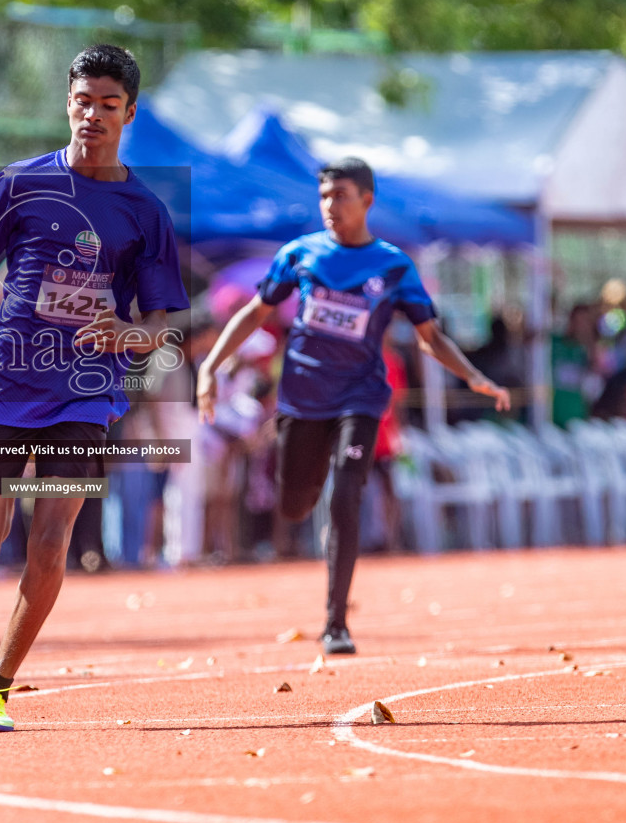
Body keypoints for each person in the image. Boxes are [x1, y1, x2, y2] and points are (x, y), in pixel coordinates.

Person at [0, 45, 190, 732]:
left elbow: (159, 323)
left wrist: (125, 333)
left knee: (51, 539)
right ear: (67, 104)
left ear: (129, 112)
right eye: (81, 101)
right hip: (8, 383)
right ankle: (10, 489)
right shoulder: (23, 184)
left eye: (107, 104)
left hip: (84, 395)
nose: (92, 115)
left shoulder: (144, 212)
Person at [196, 156, 509, 656]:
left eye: (340, 195)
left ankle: (335, 622)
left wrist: (473, 375)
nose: (330, 206)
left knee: (346, 494)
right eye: (323, 196)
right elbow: (257, 313)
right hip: (301, 400)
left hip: (360, 398)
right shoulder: (299, 254)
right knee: (295, 503)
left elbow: (430, 337)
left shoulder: (393, 265)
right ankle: (305, 488)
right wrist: (211, 364)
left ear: (367, 200)